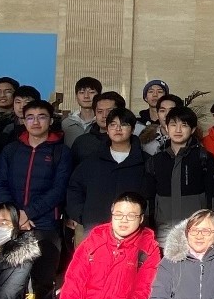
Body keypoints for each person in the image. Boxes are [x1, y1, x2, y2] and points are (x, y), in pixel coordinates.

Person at [0, 99, 71, 299]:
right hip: (13, 223)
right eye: (30, 117)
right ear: (23, 120)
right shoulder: (11, 150)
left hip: (46, 223)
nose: (36, 122)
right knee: (13, 277)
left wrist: (30, 213)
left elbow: (59, 188)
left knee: (44, 279)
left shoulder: (60, 151)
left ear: (51, 120)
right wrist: (16, 215)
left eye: (42, 116)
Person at [67, 108, 151, 238]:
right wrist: (82, 215)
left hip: (134, 231)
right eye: (113, 125)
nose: (118, 129)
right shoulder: (92, 161)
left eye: (124, 124)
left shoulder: (146, 161)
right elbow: (75, 188)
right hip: (95, 228)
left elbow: (152, 196)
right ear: (107, 129)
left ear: (133, 129)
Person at [147, 106, 214, 235]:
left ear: (193, 129)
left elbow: (213, 195)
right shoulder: (156, 160)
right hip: (164, 231)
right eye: (173, 125)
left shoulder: (204, 158)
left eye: (184, 125)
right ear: (167, 128)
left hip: (197, 231)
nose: (178, 130)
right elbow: (150, 197)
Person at [71, 91, 128, 167]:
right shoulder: (81, 142)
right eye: (100, 111)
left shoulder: (129, 140)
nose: (104, 115)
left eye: (110, 111)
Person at [61, 76, 102, 148]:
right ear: (76, 96)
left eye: (91, 92)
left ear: (99, 95)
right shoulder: (66, 123)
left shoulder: (103, 122)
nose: (86, 96)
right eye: (82, 92)